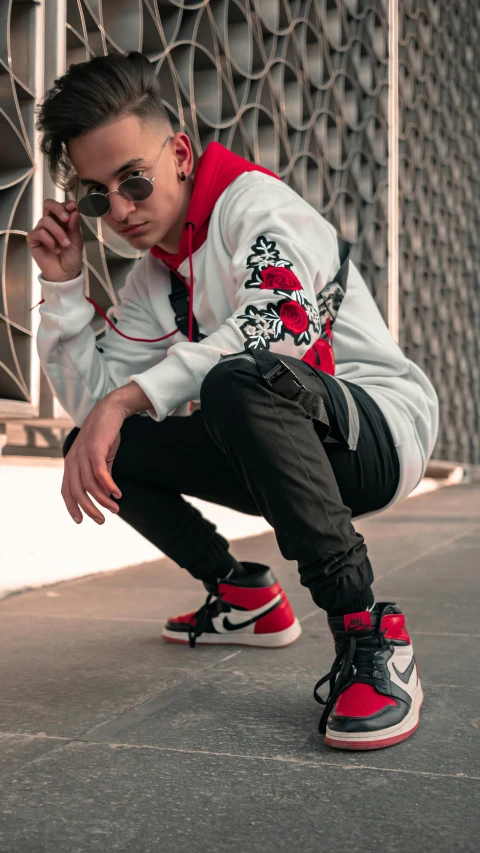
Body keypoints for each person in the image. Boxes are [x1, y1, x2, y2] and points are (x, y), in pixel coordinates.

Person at [28, 52, 438, 751]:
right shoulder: (154, 278)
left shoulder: (258, 205)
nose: (120, 210)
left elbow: (276, 325)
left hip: (376, 435)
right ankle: (243, 594)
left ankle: (368, 632)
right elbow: (97, 411)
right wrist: (66, 292)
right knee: (99, 445)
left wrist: (128, 396)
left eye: (133, 180)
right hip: (271, 448)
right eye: (97, 196)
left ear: (180, 153)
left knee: (239, 376)